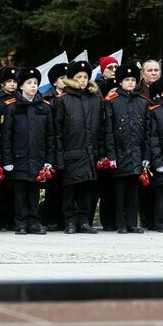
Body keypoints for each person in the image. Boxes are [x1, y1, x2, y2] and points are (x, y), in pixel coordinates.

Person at [1, 67, 54, 235]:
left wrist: (48, 159)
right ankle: (21, 222)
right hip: (19, 157)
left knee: (34, 191)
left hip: (38, 156)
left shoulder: (45, 107)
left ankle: (33, 221)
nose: (33, 86)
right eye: (29, 83)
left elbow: (50, 136)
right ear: (21, 86)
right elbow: (6, 136)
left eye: (35, 83)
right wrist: (7, 160)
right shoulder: (11, 107)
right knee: (20, 192)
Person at [55, 60, 106, 234]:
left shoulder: (96, 100)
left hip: (90, 153)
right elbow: (58, 131)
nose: (83, 80)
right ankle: (69, 221)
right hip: (71, 152)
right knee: (70, 189)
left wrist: (100, 153)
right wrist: (60, 156)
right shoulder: (63, 100)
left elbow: (101, 128)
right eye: (79, 77)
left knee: (87, 189)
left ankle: (84, 221)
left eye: (85, 77)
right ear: (71, 78)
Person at [104, 62, 150, 233]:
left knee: (133, 192)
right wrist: (111, 155)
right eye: (127, 79)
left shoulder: (143, 102)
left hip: (136, 153)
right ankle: (120, 223)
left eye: (133, 79)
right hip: (119, 153)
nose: (130, 82)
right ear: (120, 82)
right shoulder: (112, 102)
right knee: (119, 192)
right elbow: (108, 130)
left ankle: (132, 223)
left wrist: (146, 155)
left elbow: (147, 131)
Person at [41, 62, 68, 231]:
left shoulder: (72, 96)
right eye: (62, 78)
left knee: (67, 185)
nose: (66, 81)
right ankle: (51, 218)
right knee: (53, 185)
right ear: (54, 82)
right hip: (51, 145)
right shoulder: (47, 99)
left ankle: (64, 218)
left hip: (68, 145)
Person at [0, 66, 18, 232]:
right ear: (2, 83)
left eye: (15, 81)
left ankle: (15, 219)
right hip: (0, 148)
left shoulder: (21, 99)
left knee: (16, 187)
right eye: (9, 81)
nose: (13, 85)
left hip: (17, 148)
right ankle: (3, 220)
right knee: (2, 187)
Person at [139, 59, 161, 230]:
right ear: (143, 73)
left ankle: (157, 218)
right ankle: (146, 218)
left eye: (156, 70)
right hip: (141, 142)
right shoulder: (138, 91)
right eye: (150, 70)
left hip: (161, 143)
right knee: (144, 186)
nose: (153, 73)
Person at [147, 74, 163, 232]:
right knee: (162, 191)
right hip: (162, 158)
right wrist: (158, 161)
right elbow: (152, 138)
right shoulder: (155, 110)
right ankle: (160, 221)